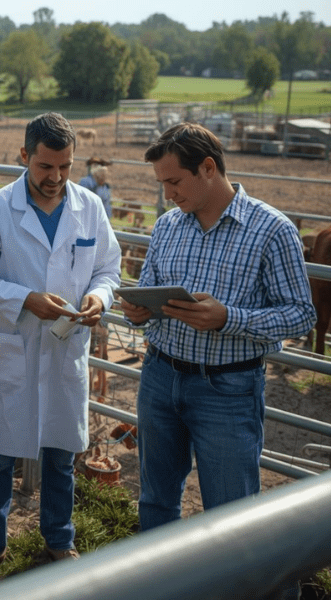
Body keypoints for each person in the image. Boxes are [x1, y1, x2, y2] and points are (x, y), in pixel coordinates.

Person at [119, 124, 315, 585]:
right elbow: (149, 293)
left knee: (231, 512)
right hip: (159, 376)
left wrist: (229, 318)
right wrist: (138, 312)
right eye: (162, 184)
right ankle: (161, 587)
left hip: (228, 389)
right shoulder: (168, 226)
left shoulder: (272, 229)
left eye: (174, 182)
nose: (167, 195)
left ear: (209, 168)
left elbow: (301, 315)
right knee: (155, 498)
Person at [0, 112, 122, 586]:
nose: (55, 178)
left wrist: (100, 297)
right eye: (45, 166)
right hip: (17, 347)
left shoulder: (89, 206)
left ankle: (59, 540)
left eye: (65, 167)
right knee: (0, 455)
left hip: (65, 348)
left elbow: (108, 269)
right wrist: (24, 299)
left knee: (60, 453)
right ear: (25, 156)